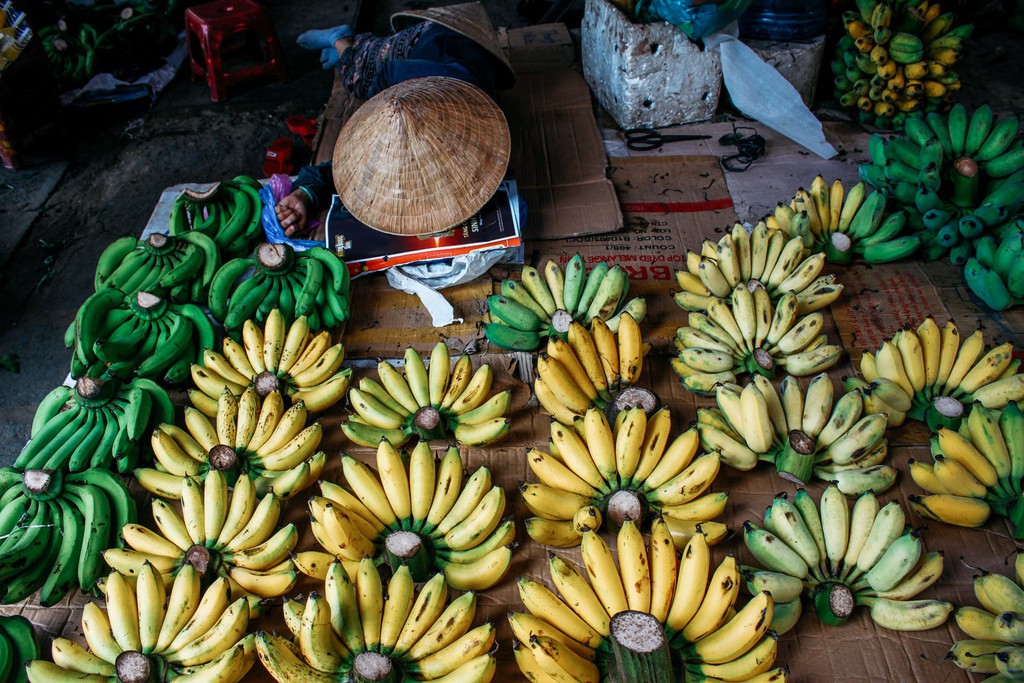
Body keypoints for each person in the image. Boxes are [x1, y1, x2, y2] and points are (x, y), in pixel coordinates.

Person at [274, 2, 515, 238]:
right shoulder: (397, 84)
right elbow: (340, 171)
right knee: (358, 77)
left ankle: (348, 48)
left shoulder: (476, 134)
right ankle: (341, 40)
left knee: (360, 73)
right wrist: (304, 194)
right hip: (421, 44)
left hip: (455, 51)